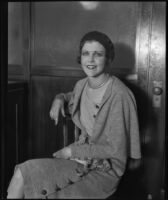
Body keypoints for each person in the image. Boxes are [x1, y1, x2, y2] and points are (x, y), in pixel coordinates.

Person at [7, 31, 141, 199]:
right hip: (82, 159)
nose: (90, 60)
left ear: (108, 59)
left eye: (98, 54)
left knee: (29, 179)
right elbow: (72, 95)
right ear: (81, 57)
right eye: (86, 54)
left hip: (105, 169)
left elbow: (116, 149)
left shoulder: (119, 94)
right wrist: (59, 98)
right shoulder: (82, 85)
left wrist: (72, 151)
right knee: (22, 172)